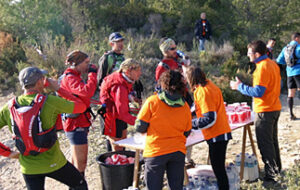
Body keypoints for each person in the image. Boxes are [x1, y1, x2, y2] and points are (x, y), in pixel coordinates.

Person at [0, 66, 88, 190]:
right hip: (55, 163)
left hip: (29, 168)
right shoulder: (50, 101)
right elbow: (81, 106)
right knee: (79, 185)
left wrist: (9, 154)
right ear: (39, 82)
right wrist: (57, 88)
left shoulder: (9, 107)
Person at [231, 40, 281, 185]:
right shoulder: (272, 64)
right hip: (274, 107)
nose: (248, 56)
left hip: (264, 110)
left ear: (257, 54)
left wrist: (239, 87)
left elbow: (258, 92)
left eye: (249, 53)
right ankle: (277, 171)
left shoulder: (262, 67)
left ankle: (271, 177)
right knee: (273, 142)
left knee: (265, 144)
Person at [135, 70, 192, 190]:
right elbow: (187, 131)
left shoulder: (152, 102)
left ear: (163, 83)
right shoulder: (185, 106)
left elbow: (140, 127)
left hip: (156, 152)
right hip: (177, 151)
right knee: (176, 187)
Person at [186, 66, 231, 190]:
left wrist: (191, 124)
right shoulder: (209, 86)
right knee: (218, 168)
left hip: (217, 134)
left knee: (218, 169)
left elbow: (209, 118)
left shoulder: (203, 91)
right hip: (220, 131)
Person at [59, 50, 98, 178]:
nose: (89, 65)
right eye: (86, 62)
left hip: (79, 121)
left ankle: (74, 184)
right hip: (75, 124)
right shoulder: (70, 78)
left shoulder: (75, 76)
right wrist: (92, 75)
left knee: (76, 161)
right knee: (81, 164)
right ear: (77, 63)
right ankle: (79, 184)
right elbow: (87, 92)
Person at [100, 58, 142, 151]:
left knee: (122, 144)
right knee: (118, 147)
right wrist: (141, 123)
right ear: (128, 72)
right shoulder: (119, 86)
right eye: (137, 70)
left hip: (117, 116)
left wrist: (132, 99)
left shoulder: (123, 79)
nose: (140, 73)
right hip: (112, 118)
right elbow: (122, 113)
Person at [155, 37, 193, 106]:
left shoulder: (175, 59)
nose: (175, 50)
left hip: (184, 94)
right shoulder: (161, 67)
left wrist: (186, 63)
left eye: (175, 47)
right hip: (173, 99)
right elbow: (160, 89)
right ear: (165, 51)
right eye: (172, 49)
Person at [276, 32, 300, 120]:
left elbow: (279, 60)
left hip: (289, 73)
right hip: (298, 71)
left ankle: (291, 114)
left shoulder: (285, 48)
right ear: (297, 38)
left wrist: (288, 63)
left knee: (290, 93)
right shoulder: (298, 48)